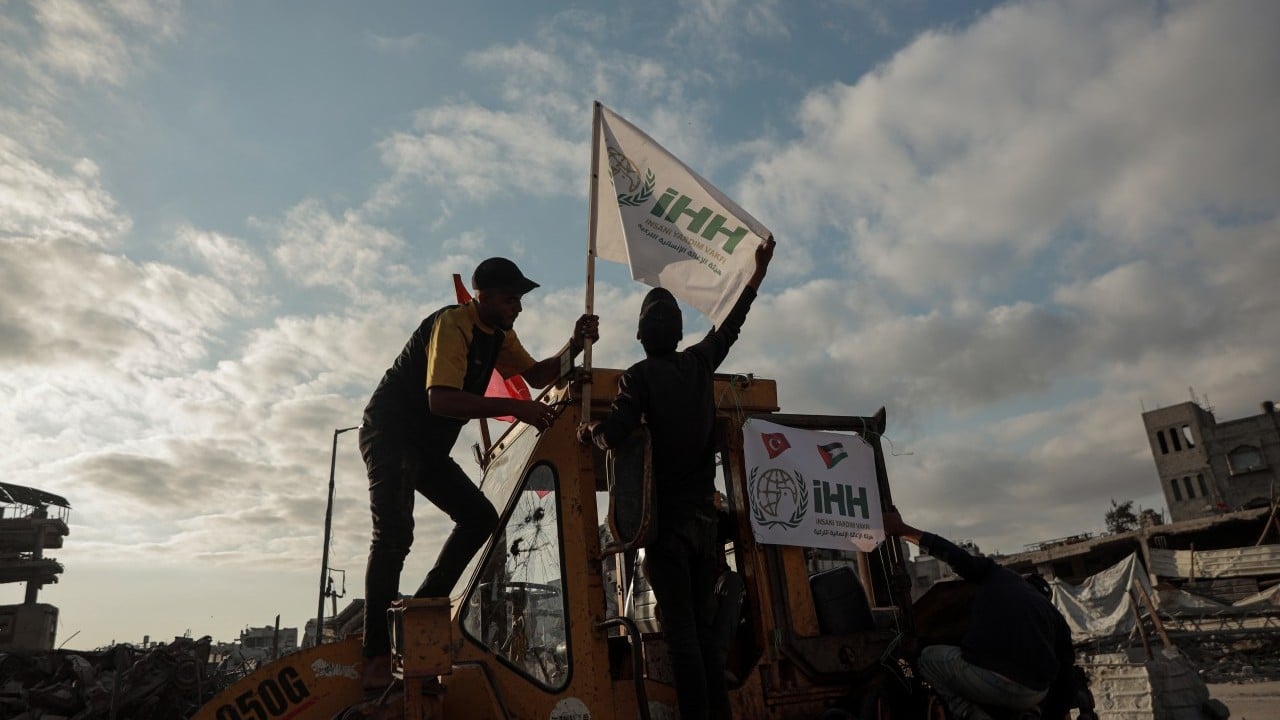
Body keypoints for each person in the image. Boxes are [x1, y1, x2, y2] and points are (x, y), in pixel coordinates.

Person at [359, 257, 599, 690]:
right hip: (391, 435)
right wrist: (516, 408)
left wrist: (575, 344)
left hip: (427, 449)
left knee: (480, 518)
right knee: (393, 537)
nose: (518, 307)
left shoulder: (499, 334)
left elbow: (538, 375)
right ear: (482, 297)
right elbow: (441, 400)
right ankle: (375, 655)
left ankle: (417, 613)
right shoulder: (453, 325)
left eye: (520, 300)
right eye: (510, 299)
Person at [577, 237, 775, 720]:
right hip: (704, 530)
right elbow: (732, 324)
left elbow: (615, 435)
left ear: (641, 336)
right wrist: (757, 273)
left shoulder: (638, 377)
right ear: (680, 332)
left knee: (682, 638)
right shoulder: (700, 363)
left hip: (664, 532)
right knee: (705, 639)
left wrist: (589, 433)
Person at [881, 510, 1077, 720]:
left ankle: (969, 714)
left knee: (928, 660)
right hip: (1034, 694)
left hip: (994, 680)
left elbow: (954, 555)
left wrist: (902, 529)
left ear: (1023, 579)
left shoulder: (999, 576)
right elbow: (1067, 672)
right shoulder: (1053, 615)